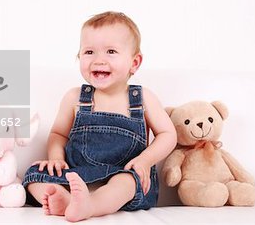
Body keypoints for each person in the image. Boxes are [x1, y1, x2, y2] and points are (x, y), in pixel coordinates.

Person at [22, 11, 177, 222]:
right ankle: (66, 200)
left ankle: (90, 206)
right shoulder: (75, 97)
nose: (98, 60)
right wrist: (56, 158)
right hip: (79, 176)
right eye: (89, 52)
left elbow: (168, 134)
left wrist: (144, 160)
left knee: (126, 182)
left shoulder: (142, 99)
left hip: (122, 176)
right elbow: (58, 133)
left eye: (111, 51)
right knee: (33, 174)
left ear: (134, 62)